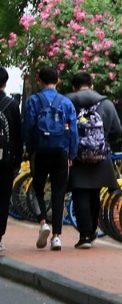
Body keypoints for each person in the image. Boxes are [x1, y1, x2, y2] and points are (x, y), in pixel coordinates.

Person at [65, 72, 122, 249]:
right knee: (94, 194)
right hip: (100, 156)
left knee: (80, 193)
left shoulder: (68, 102)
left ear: (74, 87)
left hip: (75, 156)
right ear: (91, 85)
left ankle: (85, 235)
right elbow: (117, 130)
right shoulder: (106, 103)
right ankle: (92, 231)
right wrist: (102, 142)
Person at [21, 65, 77, 251]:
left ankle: (43, 222)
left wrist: (30, 150)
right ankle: (57, 236)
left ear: (39, 81)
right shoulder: (66, 102)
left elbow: (28, 127)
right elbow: (74, 130)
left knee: (37, 187)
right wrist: (71, 153)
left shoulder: (33, 101)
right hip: (61, 151)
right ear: (58, 80)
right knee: (58, 192)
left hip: (40, 151)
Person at [0, 69, 22, 254]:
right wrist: (17, 162)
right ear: (5, 83)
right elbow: (18, 135)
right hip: (5, 161)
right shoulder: (12, 105)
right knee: (3, 198)